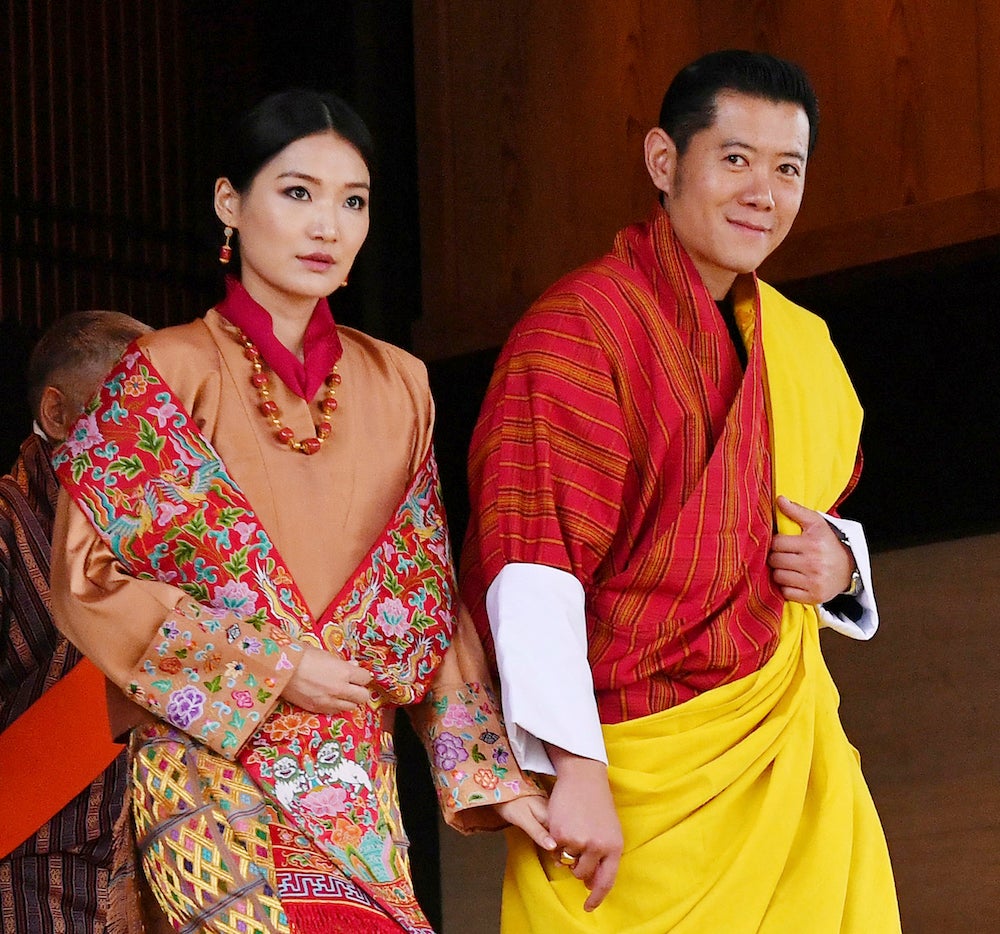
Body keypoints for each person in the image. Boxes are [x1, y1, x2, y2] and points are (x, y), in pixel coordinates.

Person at [48, 89, 552, 934]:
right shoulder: (162, 371)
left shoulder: (402, 384)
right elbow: (87, 579)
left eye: (351, 202)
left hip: (356, 782)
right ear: (228, 204)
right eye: (297, 192)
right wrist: (274, 666)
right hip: (209, 774)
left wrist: (493, 773)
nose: (329, 225)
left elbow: (428, 607)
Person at [461, 50, 900, 932]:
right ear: (665, 162)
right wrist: (575, 772)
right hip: (629, 780)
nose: (762, 193)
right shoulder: (578, 333)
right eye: (735, 159)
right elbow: (533, 565)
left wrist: (842, 567)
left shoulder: (799, 345)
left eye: (787, 169)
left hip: (785, 769)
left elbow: (819, 509)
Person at [0, 310, 151, 932]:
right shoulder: (9, 528)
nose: (150, 443)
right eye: (125, 417)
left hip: (149, 861)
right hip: (27, 875)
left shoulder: (163, 537)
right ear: (58, 415)